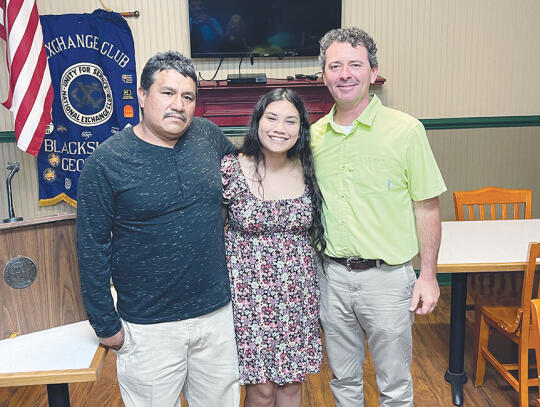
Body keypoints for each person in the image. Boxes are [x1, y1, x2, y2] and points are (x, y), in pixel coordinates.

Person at [76, 51, 240, 407]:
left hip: (216, 319)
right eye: (167, 93)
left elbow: (246, 183)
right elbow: (92, 247)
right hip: (149, 328)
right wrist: (106, 325)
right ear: (142, 95)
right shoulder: (106, 162)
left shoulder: (208, 136)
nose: (178, 105)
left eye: (188, 96)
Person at [311, 28, 447, 407]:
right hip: (332, 279)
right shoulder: (313, 137)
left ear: (373, 71)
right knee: (344, 381)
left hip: (388, 282)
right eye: (335, 66)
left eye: (355, 64)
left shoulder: (406, 131)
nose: (345, 74)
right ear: (324, 75)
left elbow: (428, 206)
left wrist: (429, 276)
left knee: (396, 386)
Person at [221, 88, 326, 407]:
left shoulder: (309, 168)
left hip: (297, 296)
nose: (280, 128)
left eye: (290, 121)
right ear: (257, 121)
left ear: (301, 129)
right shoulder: (231, 167)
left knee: (292, 386)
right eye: (272, 118)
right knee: (261, 389)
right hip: (249, 300)